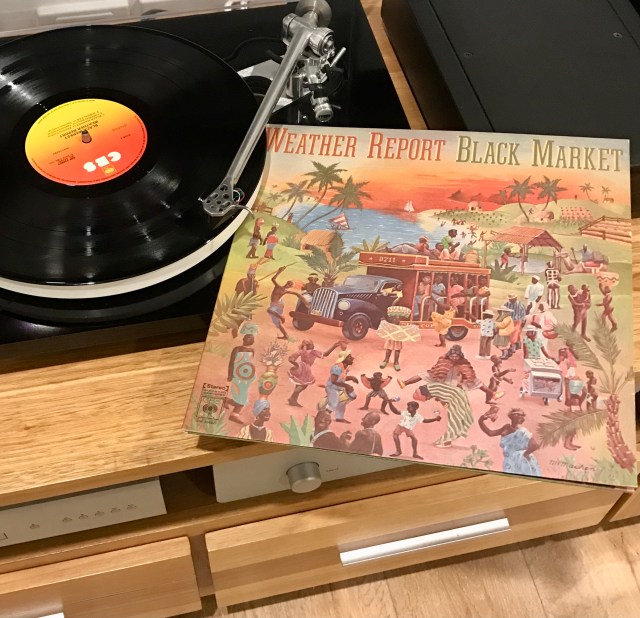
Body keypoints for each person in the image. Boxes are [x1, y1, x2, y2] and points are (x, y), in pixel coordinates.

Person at [478, 408, 541, 476]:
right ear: (512, 416)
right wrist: (481, 421)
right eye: (517, 414)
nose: (519, 416)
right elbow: (490, 433)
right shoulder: (508, 428)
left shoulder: (522, 431)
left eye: (520, 415)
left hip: (520, 461)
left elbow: (535, 445)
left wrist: (524, 454)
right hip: (512, 461)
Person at [287, 339, 346, 407]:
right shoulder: (313, 352)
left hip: (299, 367)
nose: (314, 346)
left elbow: (291, 359)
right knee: (304, 385)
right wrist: (334, 346)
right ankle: (292, 397)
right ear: (309, 346)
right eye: (312, 344)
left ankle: (294, 400)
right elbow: (325, 354)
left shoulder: (301, 351)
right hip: (306, 369)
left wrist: (296, 365)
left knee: (299, 384)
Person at [225, 331, 256, 424]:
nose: (249, 339)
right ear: (243, 339)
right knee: (242, 397)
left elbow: (249, 364)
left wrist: (251, 375)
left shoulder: (252, 350)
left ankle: (227, 401)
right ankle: (233, 414)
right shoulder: (237, 349)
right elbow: (232, 362)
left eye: (251, 338)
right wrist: (230, 375)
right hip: (237, 375)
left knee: (242, 396)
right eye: (247, 337)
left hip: (246, 377)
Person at [268, 266, 306, 339]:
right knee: (277, 322)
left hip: (277, 305)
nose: (288, 285)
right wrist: (279, 271)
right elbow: (273, 279)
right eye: (288, 283)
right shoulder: (278, 287)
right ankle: (286, 335)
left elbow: (296, 294)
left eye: (290, 285)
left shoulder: (284, 291)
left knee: (269, 310)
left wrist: (303, 299)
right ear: (286, 282)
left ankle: (281, 317)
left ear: (290, 287)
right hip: (274, 305)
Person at [324, 349, 359, 423]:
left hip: (339, 387)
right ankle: (324, 416)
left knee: (342, 403)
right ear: (344, 359)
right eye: (349, 357)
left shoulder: (345, 368)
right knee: (334, 402)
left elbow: (341, 378)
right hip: (332, 388)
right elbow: (333, 381)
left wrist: (351, 378)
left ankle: (339, 418)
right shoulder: (337, 368)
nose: (352, 358)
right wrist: (346, 385)